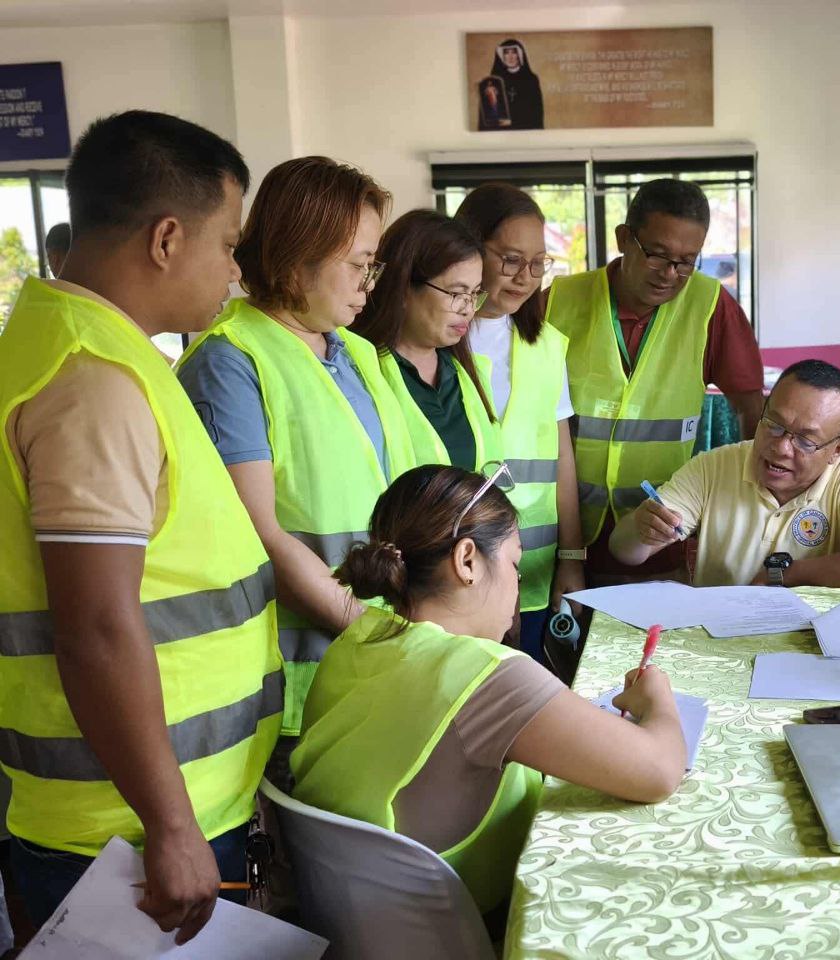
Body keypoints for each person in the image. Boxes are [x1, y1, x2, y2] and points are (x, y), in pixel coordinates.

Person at [0, 111, 281, 937]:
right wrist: (170, 826)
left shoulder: (84, 346)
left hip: (146, 805)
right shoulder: (93, 380)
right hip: (120, 829)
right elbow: (95, 625)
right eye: (229, 244)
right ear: (166, 239)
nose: (234, 271)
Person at [290, 464, 685, 919]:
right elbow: (658, 771)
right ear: (467, 561)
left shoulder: (358, 640)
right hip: (462, 930)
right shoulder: (487, 677)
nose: (518, 584)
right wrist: (658, 699)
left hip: (357, 925)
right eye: (515, 564)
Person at [178, 156, 415, 739]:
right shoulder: (231, 361)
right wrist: (368, 631)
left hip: (380, 659)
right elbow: (260, 535)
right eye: (359, 264)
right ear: (297, 255)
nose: (369, 283)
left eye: (374, 264)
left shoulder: (353, 352)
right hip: (304, 680)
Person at [546, 178, 765, 584]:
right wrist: (568, 554)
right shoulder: (558, 301)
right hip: (565, 537)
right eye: (657, 255)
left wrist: (745, 516)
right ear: (624, 238)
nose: (670, 274)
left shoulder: (710, 306)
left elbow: (751, 412)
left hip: (661, 537)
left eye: (687, 261)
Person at [611, 360, 840, 589]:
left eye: (805, 440)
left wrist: (782, 574)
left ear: (838, 449)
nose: (780, 448)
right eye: (773, 425)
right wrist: (641, 528)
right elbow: (624, 551)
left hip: (811, 644)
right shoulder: (714, 467)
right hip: (717, 641)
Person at [455, 184, 586, 654]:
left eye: (538, 263)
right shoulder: (437, 341)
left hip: (531, 570)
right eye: (510, 260)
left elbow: (561, 458)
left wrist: (572, 558)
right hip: (455, 572)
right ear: (470, 248)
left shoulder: (547, 345)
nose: (525, 277)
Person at [352, 209, 502, 476]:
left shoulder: (471, 374)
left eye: (475, 293)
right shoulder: (360, 372)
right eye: (456, 293)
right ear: (405, 288)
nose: (468, 309)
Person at [488, 38, 543, 130]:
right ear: (502, 56)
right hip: (500, 135)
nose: (510, 57)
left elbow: (537, 112)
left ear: (519, 55)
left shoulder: (531, 79)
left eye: (514, 52)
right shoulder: (493, 82)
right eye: (506, 53)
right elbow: (488, 115)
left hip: (526, 131)